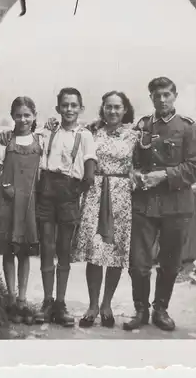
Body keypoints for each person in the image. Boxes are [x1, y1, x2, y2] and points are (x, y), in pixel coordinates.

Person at [0, 87, 97, 327]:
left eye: (74, 105)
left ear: (81, 108)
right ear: (57, 109)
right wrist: (5, 134)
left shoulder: (84, 135)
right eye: (65, 105)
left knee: (64, 251)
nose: (69, 109)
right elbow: (23, 134)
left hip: (69, 193)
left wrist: (76, 192)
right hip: (46, 193)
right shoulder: (46, 132)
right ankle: (46, 301)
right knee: (47, 247)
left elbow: (90, 171)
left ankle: (60, 304)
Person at [123, 77, 196, 332]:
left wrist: (165, 175)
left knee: (170, 262)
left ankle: (161, 309)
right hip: (145, 205)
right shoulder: (143, 125)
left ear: (175, 95)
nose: (162, 100)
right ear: (151, 98)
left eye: (167, 95)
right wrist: (135, 174)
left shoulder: (187, 128)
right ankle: (140, 310)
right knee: (138, 262)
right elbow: (132, 160)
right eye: (157, 96)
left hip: (176, 205)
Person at [71, 91, 138, 328]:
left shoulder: (135, 136)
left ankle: (107, 304)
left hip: (121, 196)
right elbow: (68, 132)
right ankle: (92, 305)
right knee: (96, 251)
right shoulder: (92, 131)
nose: (113, 111)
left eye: (117, 107)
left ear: (125, 109)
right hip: (95, 193)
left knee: (115, 251)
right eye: (108, 107)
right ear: (103, 109)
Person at [0, 96, 42, 325]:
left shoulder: (40, 140)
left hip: (29, 205)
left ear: (34, 117)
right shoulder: (5, 142)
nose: (23, 119)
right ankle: (10, 298)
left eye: (27, 115)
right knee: (9, 250)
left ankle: (22, 299)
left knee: (24, 252)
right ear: (12, 116)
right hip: (8, 203)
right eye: (18, 115)